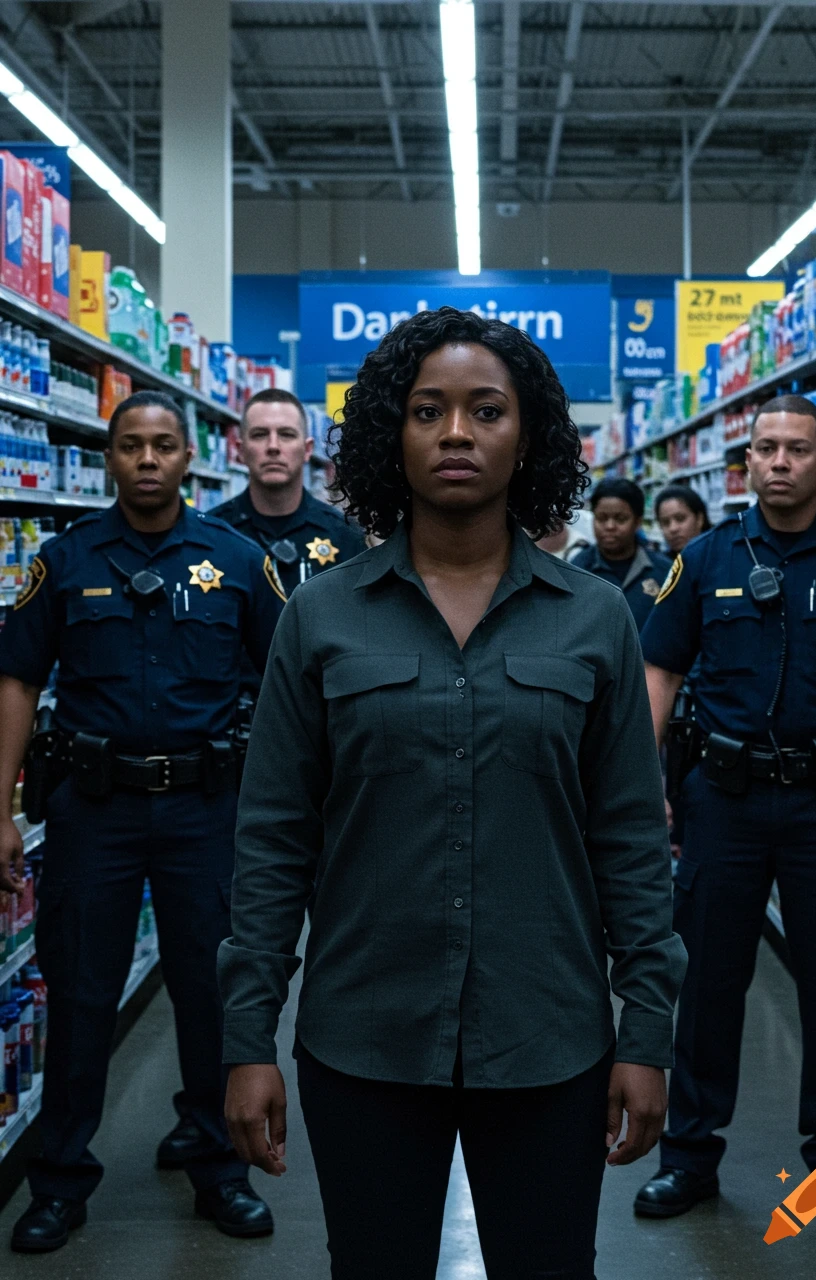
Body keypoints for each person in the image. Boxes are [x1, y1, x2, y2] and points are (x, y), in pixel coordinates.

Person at [218, 307, 687, 1279]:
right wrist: (244, 1037)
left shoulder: (594, 618)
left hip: (549, 1039)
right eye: (427, 410)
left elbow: (632, 841)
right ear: (392, 432)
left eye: (486, 410)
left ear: (530, 436)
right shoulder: (320, 614)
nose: (457, 433)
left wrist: (645, 1030)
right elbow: (270, 841)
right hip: (364, 1039)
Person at [0, 391, 285, 1253]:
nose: (148, 460)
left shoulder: (237, 562)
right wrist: (1, 808)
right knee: (81, 993)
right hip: (94, 810)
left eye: (164, 445)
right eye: (131, 446)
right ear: (113, 457)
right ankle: (58, 1181)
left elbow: (286, 682)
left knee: (211, 995)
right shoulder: (64, 560)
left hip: (208, 810)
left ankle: (218, 1171)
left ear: (189, 458)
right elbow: (15, 682)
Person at [635, 394, 816, 1228]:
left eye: (796, 450)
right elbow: (661, 673)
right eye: (764, 450)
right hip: (726, 802)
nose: (778, 462)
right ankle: (690, 1161)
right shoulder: (706, 558)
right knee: (709, 985)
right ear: (742, 464)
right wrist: (644, 788)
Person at [209, 387, 367, 597]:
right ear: (240, 450)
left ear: (308, 449)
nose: (273, 446)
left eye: (286, 434)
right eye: (259, 434)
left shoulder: (346, 537)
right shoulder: (212, 535)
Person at [571, 477, 672, 630]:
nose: (610, 526)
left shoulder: (664, 572)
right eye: (602, 518)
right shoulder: (577, 570)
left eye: (621, 519)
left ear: (638, 522)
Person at [654, 484, 711, 555]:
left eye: (680, 519)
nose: (673, 529)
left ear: (699, 519)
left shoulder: (723, 558)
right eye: (665, 523)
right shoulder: (662, 564)